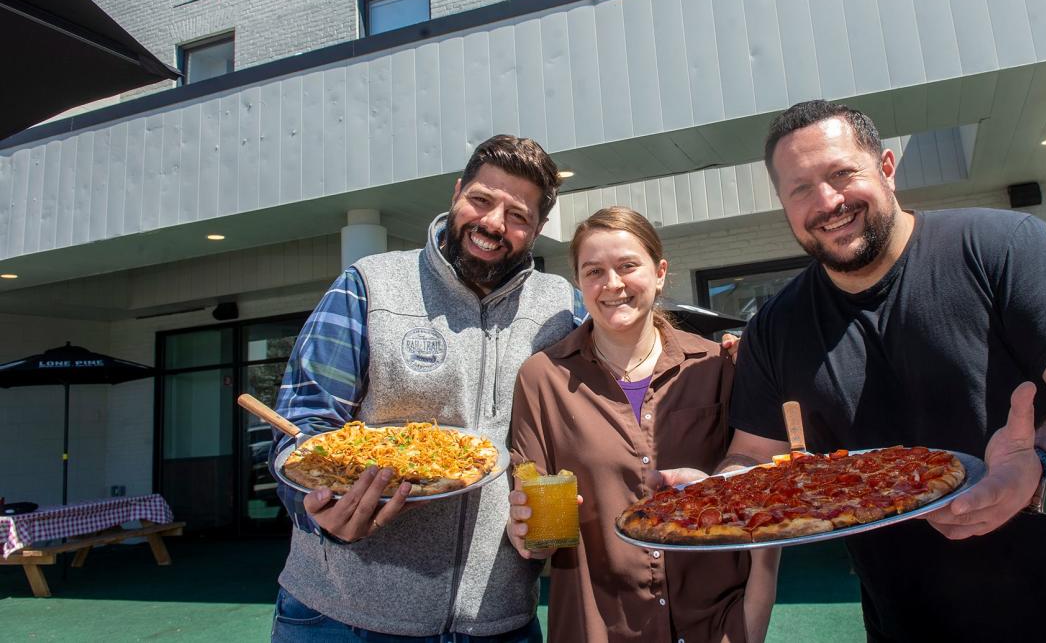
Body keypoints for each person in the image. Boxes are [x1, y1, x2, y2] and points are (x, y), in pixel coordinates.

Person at [680, 101, 1046, 642]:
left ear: (885, 167)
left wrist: (1040, 469)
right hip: (903, 622)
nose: (827, 202)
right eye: (801, 189)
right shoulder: (777, 327)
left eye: (841, 173)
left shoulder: (1003, 248)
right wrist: (717, 489)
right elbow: (754, 457)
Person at [269, 135, 576, 642]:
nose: (494, 223)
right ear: (456, 192)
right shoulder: (368, 284)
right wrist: (317, 509)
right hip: (343, 616)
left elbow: (624, 366)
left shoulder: (562, 308)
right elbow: (303, 425)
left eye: (518, 215)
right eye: (481, 200)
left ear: (539, 229)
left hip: (498, 621)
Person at [506, 207, 779, 642]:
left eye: (628, 266)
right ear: (579, 283)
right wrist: (525, 531)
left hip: (713, 624)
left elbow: (765, 475)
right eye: (594, 271)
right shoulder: (542, 379)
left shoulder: (717, 366)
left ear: (660, 273)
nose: (612, 284)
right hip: (596, 627)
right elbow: (537, 529)